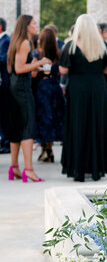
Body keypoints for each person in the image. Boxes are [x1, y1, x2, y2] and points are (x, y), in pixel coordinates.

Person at [59, 14, 107, 181]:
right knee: (96, 124)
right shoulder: (102, 45)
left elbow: (62, 70)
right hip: (97, 87)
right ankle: (96, 168)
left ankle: (78, 169)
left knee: (78, 125)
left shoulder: (70, 45)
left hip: (77, 88)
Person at [7, 14, 50, 182]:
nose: (36, 25)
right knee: (28, 126)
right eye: (34, 23)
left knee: (18, 127)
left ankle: (14, 168)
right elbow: (19, 68)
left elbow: (21, 68)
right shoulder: (24, 42)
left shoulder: (16, 41)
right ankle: (28, 170)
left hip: (15, 86)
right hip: (22, 90)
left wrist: (34, 67)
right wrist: (40, 63)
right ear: (26, 26)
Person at [33, 27, 64, 162]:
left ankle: (44, 149)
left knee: (43, 117)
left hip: (42, 88)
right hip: (55, 87)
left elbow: (33, 73)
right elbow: (62, 72)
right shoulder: (59, 54)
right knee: (53, 117)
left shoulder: (37, 54)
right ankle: (49, 149)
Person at [0, 18, 11, 154]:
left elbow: (3, 59)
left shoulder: (6, 41)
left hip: (4, 82)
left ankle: (6, 142)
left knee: (4, 114)